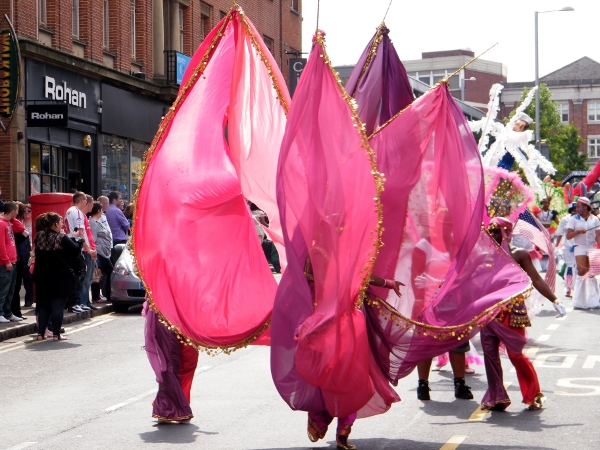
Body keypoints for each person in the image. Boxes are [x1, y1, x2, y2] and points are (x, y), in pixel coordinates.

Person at [480, 217, 566, 411]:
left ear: (508, 233)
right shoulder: (484, 255)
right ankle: (496, 397)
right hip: (488, 312)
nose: (493, 235)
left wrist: (555, 300)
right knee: (490, 356)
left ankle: (533, 394)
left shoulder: (519, 254)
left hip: (512, 311)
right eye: (491, 231)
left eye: (497, 231)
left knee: (515, 355)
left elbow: (536, 279)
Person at [33, 212, 85, 341]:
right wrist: (76, 239)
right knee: (57, 306)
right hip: (60, 277)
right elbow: (75, 250)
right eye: (61, 223)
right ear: (56, 224)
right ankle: (56, 334)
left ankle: (40, 334)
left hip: (43, 276)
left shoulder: (39, 236)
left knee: (44, 307)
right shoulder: (61, 237)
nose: (62, 225)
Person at [64, 192, 97, 313]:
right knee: (80, 277)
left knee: (77, 277)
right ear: (82, 200)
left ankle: (76, 302)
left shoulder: (70, 211)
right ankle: (77, 303)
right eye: (86, 200)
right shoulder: (77, 212)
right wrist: (88, 249)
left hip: (70, 245)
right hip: (76, 247)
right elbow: (80, 233)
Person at [566, 197, 600, 309]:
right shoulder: (573, 219)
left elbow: (598, 236)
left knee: (591, 273)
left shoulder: (595, 219)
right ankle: (579, 302)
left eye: (578, 206)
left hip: (591, 247)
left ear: (585, 207)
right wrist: (578, 232)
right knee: (581, 271)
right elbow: (568, 236)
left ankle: (594, 301)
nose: (576, 208)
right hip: (579, 247)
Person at [0, 202, 24, 323]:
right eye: (17, 211)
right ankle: (0, 313)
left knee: (10, 290)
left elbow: (21, 228)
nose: (18, 213)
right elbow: (1, 245)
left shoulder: (9, 222)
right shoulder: (1, 224)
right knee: (3, 290)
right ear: (13, 211)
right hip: (5, 263)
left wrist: (11, 218)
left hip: (13, 261)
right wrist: (7, 261)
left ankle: (8, 313)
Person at [88, 202, 113, 303]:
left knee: (107, 273)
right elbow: (92, 239)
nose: (102, 212)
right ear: (98, 211)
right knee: (97, 274)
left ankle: (106, 295)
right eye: (101, 210)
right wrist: (93, 252)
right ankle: (96, 297)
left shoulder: (97, 222)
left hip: (104, 253)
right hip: (98, 252)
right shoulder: (93, 223)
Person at [11, 202, 32, 318]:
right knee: (15, 287)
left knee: (18, 285)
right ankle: (13, 312)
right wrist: (24, 234)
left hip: (21, 257)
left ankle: (16, 312)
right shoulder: (13, 223)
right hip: (16, 258)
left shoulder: (16, 223)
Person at [555, 202, 577, 297]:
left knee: (579, 268)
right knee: (570, 266)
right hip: (568, 248)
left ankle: (578, 288)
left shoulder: (583, 219)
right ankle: (568, 287)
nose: (574, 211)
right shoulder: (565, 220)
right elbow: (560, 233)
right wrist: (556, 246)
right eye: (573, 209)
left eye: (576, 209)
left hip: (580, 247)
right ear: (570, 210)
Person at [105, 191, 130, 263]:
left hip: (111, 240)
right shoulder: (117, 211)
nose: (121, 200)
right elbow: (127, 225)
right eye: (120, 199)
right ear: (114, 200)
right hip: (119, 240)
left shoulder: (107, 210)